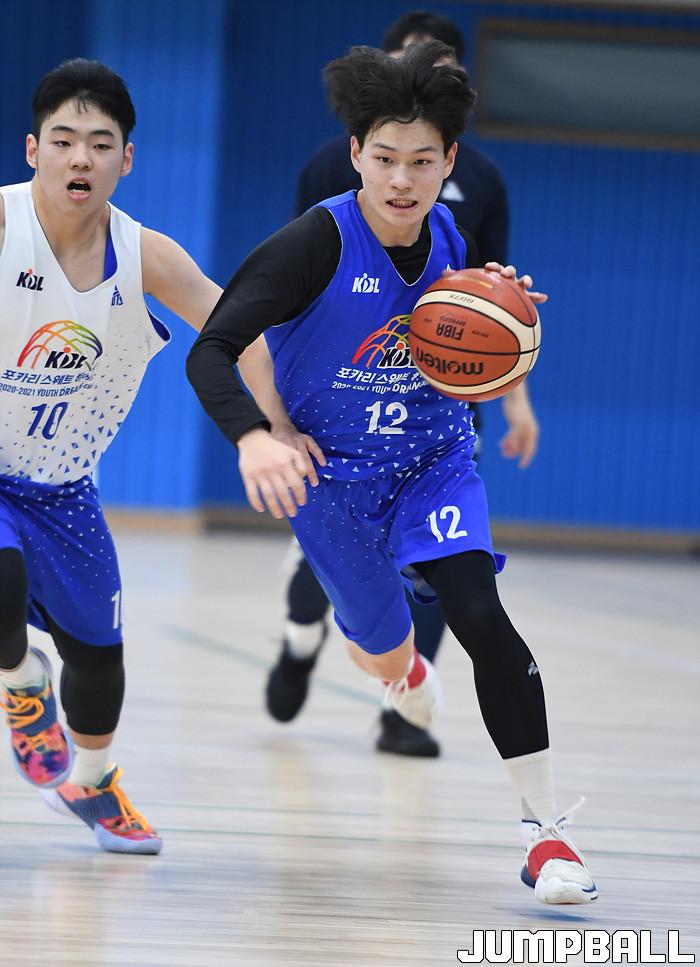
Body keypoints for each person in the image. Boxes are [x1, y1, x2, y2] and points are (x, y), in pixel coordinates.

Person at [186, 43, 597, 904]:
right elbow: (212, 347)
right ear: (355, 155)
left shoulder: (451, 238)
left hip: (432, 460)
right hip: (332, 483)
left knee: (478, 611)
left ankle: (548, 834)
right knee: (385, 655)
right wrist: (258, 435)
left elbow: (473, 331)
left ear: (450, 161)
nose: (402, 180)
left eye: (421, 160)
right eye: (384, 158)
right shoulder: (314, 242)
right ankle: (401, 673)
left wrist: (506, 311)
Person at [269, 10, 539, 759]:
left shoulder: (481, 180)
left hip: (433, 402)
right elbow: (292, 293)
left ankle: (402, 711)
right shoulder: (330, 168)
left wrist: (516, 398)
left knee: (442, 565)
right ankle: (301, 638)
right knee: (332, 570)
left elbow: (497, 303)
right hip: (336, 416)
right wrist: (275, 422)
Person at [0, 58, 247, 855]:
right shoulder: (3, 225)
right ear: (32, 149)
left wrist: (276, 426)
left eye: (100, 143)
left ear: (126, 159)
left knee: (100, 660)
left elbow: (239, 330)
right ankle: (19, 681)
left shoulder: (147, 257)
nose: (81, 157)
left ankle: (93, 781)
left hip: (64, 486)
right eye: (63, 140)